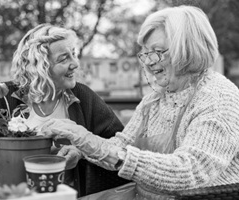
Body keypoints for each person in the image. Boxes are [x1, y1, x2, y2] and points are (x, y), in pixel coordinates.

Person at [42, 5, 239, 200]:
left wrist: (88, 139)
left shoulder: (218, 99)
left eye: (157, 51)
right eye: (145, 53)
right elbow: (121, 145)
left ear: (188, 48)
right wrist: (83, 150)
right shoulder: (154, 99)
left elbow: (188, 172)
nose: (148, 61)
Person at [0, 23, 130, 196]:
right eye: (64, 58)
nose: (75, 64)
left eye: (73, 55)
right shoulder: (2, 97)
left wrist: (81, 153)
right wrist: (39, 150)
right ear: (40, 66)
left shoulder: (84, 97)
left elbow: (120, 148)